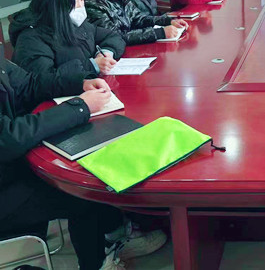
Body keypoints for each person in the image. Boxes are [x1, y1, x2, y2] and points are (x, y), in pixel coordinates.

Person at [0, 57, 165, 270]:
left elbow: (29, 84)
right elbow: (7, 138)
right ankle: (96, 264)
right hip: (6, 187)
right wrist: (79, 107)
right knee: (82, 192)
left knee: (92, 171)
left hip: (13, 164)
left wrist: (80, 83)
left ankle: (114, 236)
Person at [9, 0, 125, 77]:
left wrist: (106, 53)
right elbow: (43, 80)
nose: (81, 6)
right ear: (57, 4)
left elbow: (112, 36)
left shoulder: (76, 24)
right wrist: (92, 65)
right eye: (75, 1)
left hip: (92, 86)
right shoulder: (31, 38)